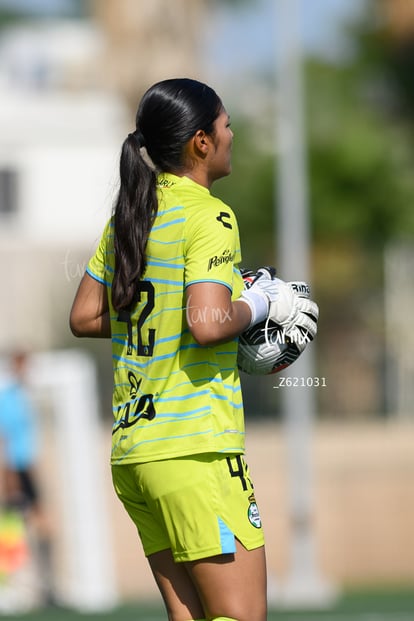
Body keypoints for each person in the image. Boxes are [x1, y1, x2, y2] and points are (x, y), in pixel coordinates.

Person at [69, 78, 315, 621]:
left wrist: (171, 314)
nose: (233, 134)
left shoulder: (132, 213)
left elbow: (85, 316)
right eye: (226, 126)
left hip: (135, 455)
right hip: (194, 451)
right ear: (201, 142)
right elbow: (207, 325)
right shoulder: (211, 216)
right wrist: (262, 305)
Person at [0, 350, 55, 607]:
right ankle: (9, 589)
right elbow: (6, 440)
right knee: (11, 529)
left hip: (27, 469)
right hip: (14, 471)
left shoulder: (24, 397)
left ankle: (47, 587)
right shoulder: (8, 398)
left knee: (43, 527)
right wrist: (10, 481)